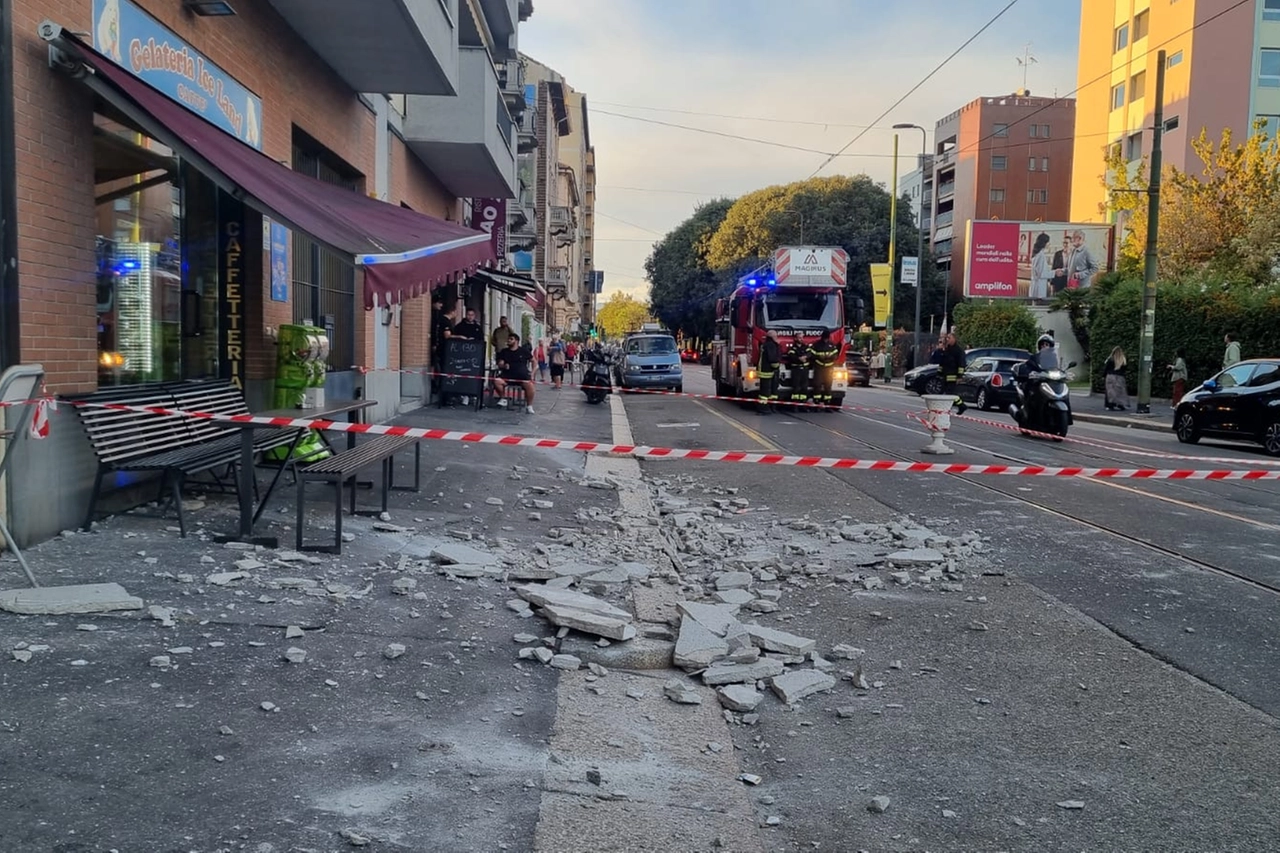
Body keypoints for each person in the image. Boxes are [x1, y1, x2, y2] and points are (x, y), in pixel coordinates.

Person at [493, 333, 535, 414]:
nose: (508, 340)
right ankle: (503, 398)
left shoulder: (523, 351)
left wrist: (532, 373)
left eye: (511, 339)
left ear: (516, 341)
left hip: (522, 377)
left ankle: (529, 406)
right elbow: (500, 363)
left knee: (530, 386)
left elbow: (534, 361)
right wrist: (504, 365)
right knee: (496, 381)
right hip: (507, 376)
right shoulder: (504, 351)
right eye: (508, 339)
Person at [809, 330, 841, 411]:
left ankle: (827, 404)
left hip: (829, 368)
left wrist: (830, 357)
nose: (826, 339)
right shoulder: (817, 344)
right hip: (819, 367)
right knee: (817, 385)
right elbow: (812, 354)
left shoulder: (831, 345)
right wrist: (820, 357)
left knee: (828, 386)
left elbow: (835, 354)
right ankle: (816, 403)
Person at [938, 332, 967, 414]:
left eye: (949, 338)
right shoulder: (947, 349)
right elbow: (942, 362)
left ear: (954, 339)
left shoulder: (958, 351)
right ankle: (956, 407)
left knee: (951, 394)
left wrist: (959, 376)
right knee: (945, 393)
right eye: (947, 338)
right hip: (945, 375)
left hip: (953, 376)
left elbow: (961, 364)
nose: (947, 340)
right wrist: (939, 372)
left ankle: (961, 406)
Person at [757, 329, 781, 413]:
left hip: (764, 371)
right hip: (768, 371)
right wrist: (777, 366)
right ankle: (764, 409)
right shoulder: (771, 345)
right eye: (775, 336)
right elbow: (772, 359)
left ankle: (768, 407)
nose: (777, 337)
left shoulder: (765, 344)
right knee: (766, 392)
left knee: (766, 391)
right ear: (772, 337)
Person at [784, 339, 811, 411]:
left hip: (805, 370)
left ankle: (803, 405)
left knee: (804, 388)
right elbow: (791, 356)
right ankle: (795, 405)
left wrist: (805, 357)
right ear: (796, 339)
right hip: (796, 369)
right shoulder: (792, 348)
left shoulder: (806, 347)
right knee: (796, 388)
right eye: (799, 337)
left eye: (802, 337)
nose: (801, 339)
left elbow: (810, 353)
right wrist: (799, 359)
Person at [1104, 346, 1129, 411]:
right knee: (1120, 391)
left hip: (1111, 376)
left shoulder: (1111, 359)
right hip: (1120, 376)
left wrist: (1103, 375)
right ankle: (1120, 404)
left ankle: (1110, 405)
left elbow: (1106, 368)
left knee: (1110, 391)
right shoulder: (1123, 360)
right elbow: (1125, 369)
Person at [1029, 232, 1052, 301]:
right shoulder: (1041, 256)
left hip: (1035, 285)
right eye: (1048, 242)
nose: (1049, 244)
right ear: (1044, 243)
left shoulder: (1037, 254)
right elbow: (1041, 274)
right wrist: (1054, 273)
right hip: (1039, 286)